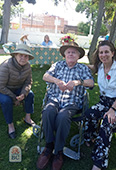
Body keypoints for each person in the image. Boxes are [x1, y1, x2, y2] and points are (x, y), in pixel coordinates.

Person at [36, 42, 94, 170]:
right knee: (48, 111)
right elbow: (45, 76)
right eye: (68, 52)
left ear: (78, 56)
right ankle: (49, 145)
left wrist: (77, 82)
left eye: (74, 52)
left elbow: (91, 83)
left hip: (72, 102)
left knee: (62, 116)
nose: (71, 54)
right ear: (64, 55)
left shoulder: (83, 68)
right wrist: (57, 81)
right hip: (55, 98)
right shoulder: (57, 65)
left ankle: (58, 151)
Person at [84, 40, 116, 170]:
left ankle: (99, 163)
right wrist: (73, 63)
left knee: (107, 122)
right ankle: (90, 137)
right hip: (105, 101)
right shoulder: (100, 66)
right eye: (101, 52)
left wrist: (112, 109)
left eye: (106, 52)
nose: (103, 55)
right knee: (89, 113)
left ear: (113, 53)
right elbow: (89, 67)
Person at [0, 44, 35, 139]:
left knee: (30, 94)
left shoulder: (28, 66)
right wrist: (14, 98)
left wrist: (23, 93)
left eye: (26, 56)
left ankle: (28, 118)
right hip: (3, 90)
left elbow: (28, 82)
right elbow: (1, 86)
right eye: (20, 55)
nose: (23, 58)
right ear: (15, 55)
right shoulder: (5, 66)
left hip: (18, 89)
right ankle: (10, 125)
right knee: (6, 101)